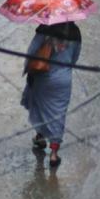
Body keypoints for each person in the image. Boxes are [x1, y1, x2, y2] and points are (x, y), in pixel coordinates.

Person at [21, 21, 81, 168]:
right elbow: (75, 57)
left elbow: (31, 52)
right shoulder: (75, 32)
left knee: (39, 106)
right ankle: (54, 154)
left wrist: (27, 70)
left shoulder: (44, 30)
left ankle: (40, 137)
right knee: (59, 114)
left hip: (44, 77)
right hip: (64, 80)